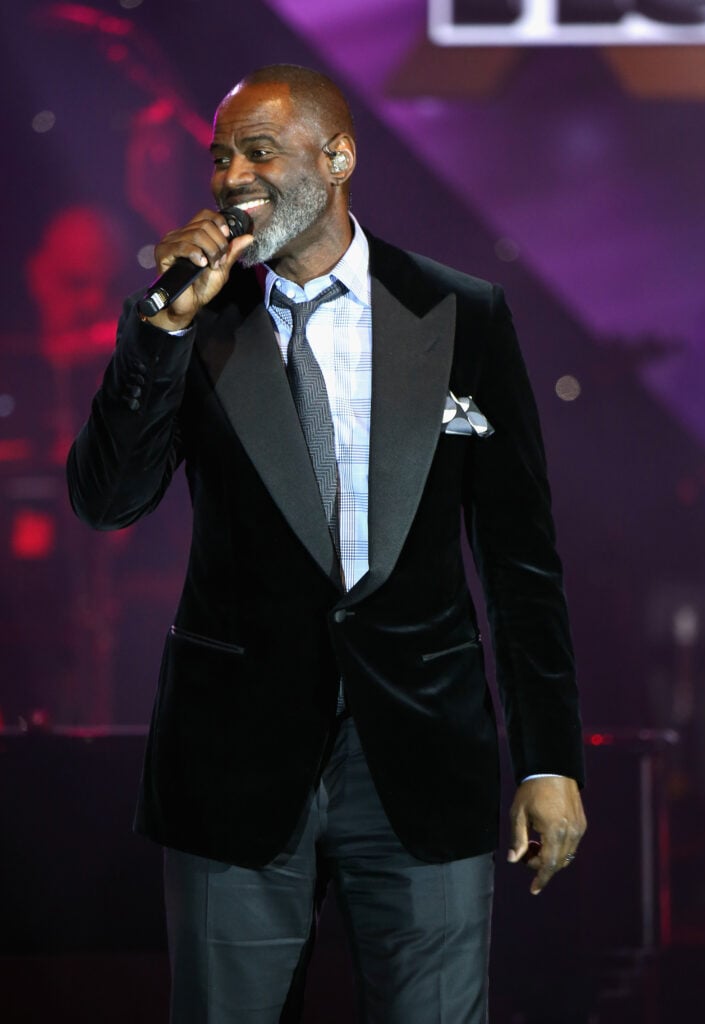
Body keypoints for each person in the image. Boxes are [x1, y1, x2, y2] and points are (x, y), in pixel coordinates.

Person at [67, 64, 587, 1023]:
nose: (231, 177)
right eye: (220, 158)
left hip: (420, 757)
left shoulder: (460, 312)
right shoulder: (193, 322)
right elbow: (106, 501)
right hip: (232, 764)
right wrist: (161, 330)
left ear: (337, 156)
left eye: (258, 151)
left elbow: (518, 560)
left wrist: (546, 758)